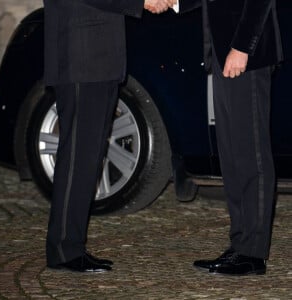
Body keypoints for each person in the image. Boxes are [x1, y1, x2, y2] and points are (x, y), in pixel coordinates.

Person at [43, 0, 176, 273]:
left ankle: (71, 245)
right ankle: (63, 249)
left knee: (89, 157)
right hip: (80, 57)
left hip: (100, 59)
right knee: (78, 155)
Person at [176, 0, 283, 275]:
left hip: (244, 54)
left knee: (251, 154)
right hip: (224, 52)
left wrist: (242, 47)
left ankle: (253, 253)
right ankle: (241, 245)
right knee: (233, 154)